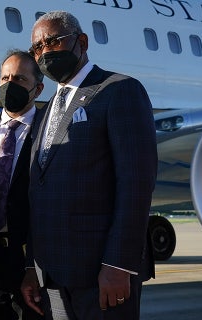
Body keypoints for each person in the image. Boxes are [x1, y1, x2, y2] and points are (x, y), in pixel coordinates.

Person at [20, 11, 157, 320]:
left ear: (81, 42)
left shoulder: (119, 90)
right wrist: (32, 267)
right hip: (53, 279)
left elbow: (135, 184)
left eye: (52, 42)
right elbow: (37, 193)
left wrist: (119, 265)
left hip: (101, 276)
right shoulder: (44, 113)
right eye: (37, 48)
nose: (44, 52)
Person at [0, 49, 44, 320]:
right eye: (5, 78)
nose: (9, 85)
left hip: (30, 263)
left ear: (37, 89)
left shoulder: (50, 131)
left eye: (19, 79)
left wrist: (34, 266)